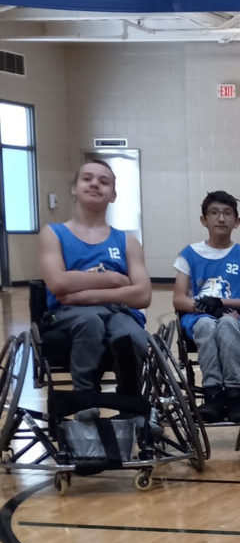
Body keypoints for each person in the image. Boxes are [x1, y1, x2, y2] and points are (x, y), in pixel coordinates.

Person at [38, 159, 152, 401]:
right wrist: (113, 278)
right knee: (90, 321)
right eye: (87, 178)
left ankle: (130, 400)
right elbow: (58, 283)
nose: (95, 184)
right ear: (74, 187)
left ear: (113, 194)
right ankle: (84, 396)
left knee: (131, 335)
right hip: (67, 315)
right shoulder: (53, 233)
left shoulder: (128, 241)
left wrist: (84, 293)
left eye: (104, 181)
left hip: (118, 313)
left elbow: (142, 295)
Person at [172, 190, 240, 423]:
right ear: (204, 220)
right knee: (205, 325)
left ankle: (235, 395)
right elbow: (179, 299)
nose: (221, 218)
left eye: (226, 213)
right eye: (214, 213)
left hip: (233, 317)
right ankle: (212, 395)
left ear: (237, 221)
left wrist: (222, 303)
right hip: (198, 315)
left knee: (226, 325)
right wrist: (208, 308)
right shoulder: (189, 254)